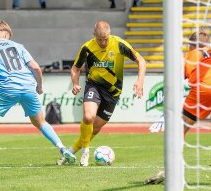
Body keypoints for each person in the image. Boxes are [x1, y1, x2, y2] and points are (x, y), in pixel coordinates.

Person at [0, 20, 76, 168]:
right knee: (41, 122)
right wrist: (39, 86)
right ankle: (62, 148)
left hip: (8, 87)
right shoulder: (18, 46)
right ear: (6, 33)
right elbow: (35, 67)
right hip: (28, 86)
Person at [144, 30, 211, 185]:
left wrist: (167, 111)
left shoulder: (189, 56)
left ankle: (173, 171)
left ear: (191, 45)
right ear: (208, 44)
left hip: (206, 87)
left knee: (180, 129)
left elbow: (173, 82)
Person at [57, 21, 146, 166]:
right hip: (94, 86)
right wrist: (75, 83)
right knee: (88, 116)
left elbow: (141, 60)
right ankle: (85, 153)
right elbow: (75, 68)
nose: (103, 42)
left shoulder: (119, 44)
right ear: (94, 36)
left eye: (106, 39)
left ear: (110, 34)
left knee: (96, 128)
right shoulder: (87, 48)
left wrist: (140, 80)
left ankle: (71, 151)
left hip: (113, 92)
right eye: (100, 39)